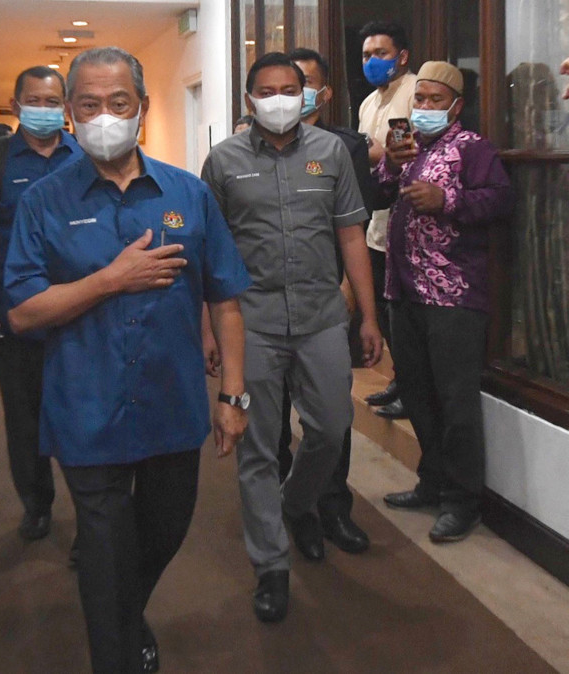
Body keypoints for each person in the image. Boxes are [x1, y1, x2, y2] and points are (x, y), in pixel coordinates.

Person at [6, 46, 252, 673]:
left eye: (119, 103)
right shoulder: (44, 201)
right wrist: (109, 280)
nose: (105, 116)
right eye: (89, 105)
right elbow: (23, 312)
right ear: (69, 113)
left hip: (172, 405)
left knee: (165, 531)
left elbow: (224, 300)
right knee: (105, 554)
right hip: (86, 411)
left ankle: (123, 613)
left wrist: (232, 396)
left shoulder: (187, 194)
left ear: (142, 108)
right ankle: (113, 651)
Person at [201, 52, 382, 624]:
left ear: (305, 96)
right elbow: (210, 251)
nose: (279, 98)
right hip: (249, 321)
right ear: (249, 99)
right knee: (257, 446)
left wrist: (369, 317)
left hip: (321, 316)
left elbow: (352, 236)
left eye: (289, 89)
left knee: (331, 427)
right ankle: (271, 565)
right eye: (267, 90)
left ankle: (293, 506)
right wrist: (208, 325)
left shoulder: (331, 153)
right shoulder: (223, 161)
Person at [377, 62, 512, 542]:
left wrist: (446, 200)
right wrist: (391, 166)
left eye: (435, 100)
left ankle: (462, 501)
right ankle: (431, 482)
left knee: (455, 402)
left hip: (453, 295)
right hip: (404, 291)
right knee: (417, 394)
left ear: (456, 105)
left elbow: (499, 200)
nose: (426, 108)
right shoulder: (409, 148)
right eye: (420, 99)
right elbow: (377, 192)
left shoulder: (472, 149)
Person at [0, 65, 84, 542]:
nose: (44, 110)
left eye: (53, 102)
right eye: (35, 101)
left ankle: (89, 516)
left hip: (80, 317)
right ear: (16, 107)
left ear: (67, 107)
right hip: (16, 321)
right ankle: (36, 504)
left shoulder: (85, 156)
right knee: (25, 422)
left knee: (82, 417)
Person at [273, 46, 376, 554]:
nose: (289, 96)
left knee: (332, 418)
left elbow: (353, 228)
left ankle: (333, 507)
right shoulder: (242, 152)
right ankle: (289, 510)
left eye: (301, 84)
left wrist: (358, 301)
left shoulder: (345, 147)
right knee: (272, 421)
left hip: (325, 301)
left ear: (321, 90)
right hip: (265, 309)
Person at [357, 20, 418, 420]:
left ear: (402, 56)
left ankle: (413, 392)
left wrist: (373, 152)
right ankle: (399, 379)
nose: (373, 61)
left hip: (408, 219)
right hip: (376, 224)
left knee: (408, 316)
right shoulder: (368, 102)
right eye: (366, 55)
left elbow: (400, 150)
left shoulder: (413, 91)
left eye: (380, 53)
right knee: (387, 308)